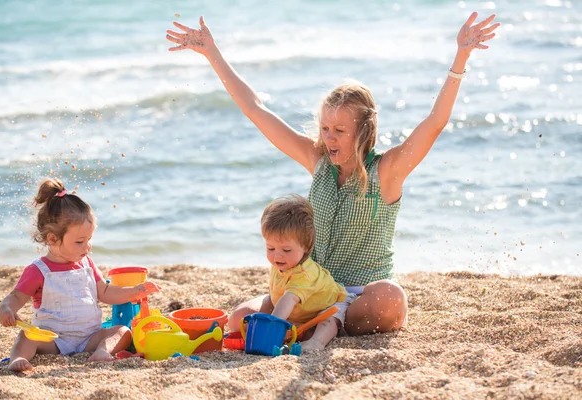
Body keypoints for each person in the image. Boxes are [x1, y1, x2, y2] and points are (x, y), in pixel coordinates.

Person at [166, 12, 499, 348]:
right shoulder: (318, 161)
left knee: (391, 299)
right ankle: (315, 322)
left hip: (360, 295)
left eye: (340, 131)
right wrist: (212, 52)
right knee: (238, 319)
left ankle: (322, 325)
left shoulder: (387, 171)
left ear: (363, 131)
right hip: (311, 288)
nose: (330, 139)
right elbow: (256, 109)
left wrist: (461, 57)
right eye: (325, 129)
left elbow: (435, 122)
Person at [0, 178, 161, 372]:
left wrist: (134, 292)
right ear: (53, 238)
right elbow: (17, 296)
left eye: (89, 239)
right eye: (80, 241)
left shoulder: (87, 264)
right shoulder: (39, 270)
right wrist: (6, 309)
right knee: (26, 337)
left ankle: (101, 352)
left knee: (122, 332)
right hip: (53, 339)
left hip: (89, 337)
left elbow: (106, 291)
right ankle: (19, 358)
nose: (87, 247)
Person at [260, 194, 347, 351]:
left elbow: (288, 300)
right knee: (264, 306)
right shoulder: (283, 262)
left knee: (329, 320)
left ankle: (317, 342)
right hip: (304, 310)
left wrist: (271, 328)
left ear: (306, 247)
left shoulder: (304, 274)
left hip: (330, 303)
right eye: (270, 248)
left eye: (286, 250)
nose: (277, 255)